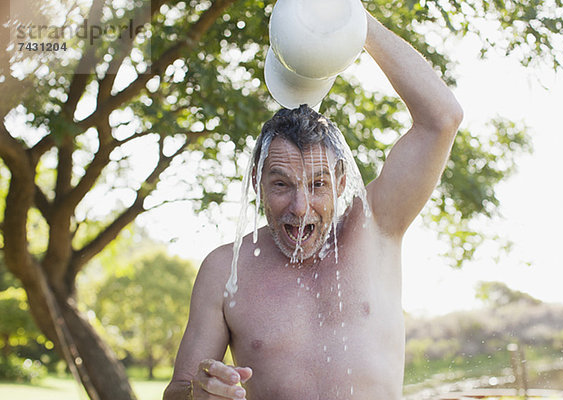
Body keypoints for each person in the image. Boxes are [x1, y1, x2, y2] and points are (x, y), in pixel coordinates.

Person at [163, 10, 463, 400]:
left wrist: (351, 18)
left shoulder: (376, 226)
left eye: (318, 184)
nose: (301, 206)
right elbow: (179, 390)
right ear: (257, 182)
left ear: (341, 182)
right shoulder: (225, 270)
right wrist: (198, 392)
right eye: (282, 184)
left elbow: (442, 118)